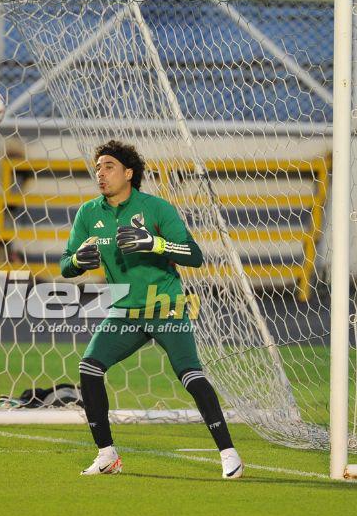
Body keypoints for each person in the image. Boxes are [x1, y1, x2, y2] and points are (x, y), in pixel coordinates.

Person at [60, 140, 243, 479]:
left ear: (129, 173)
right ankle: (107, 455)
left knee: (190, 375)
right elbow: (66, 265)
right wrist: (76, 261)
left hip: (167, 307)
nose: (100, 173)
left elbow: (195, 256)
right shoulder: (89, 213)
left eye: (109, 166)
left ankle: (228, 452)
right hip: (125, 312)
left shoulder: (157, 209)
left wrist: (154, 243)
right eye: (98, 167)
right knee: (89, 368)